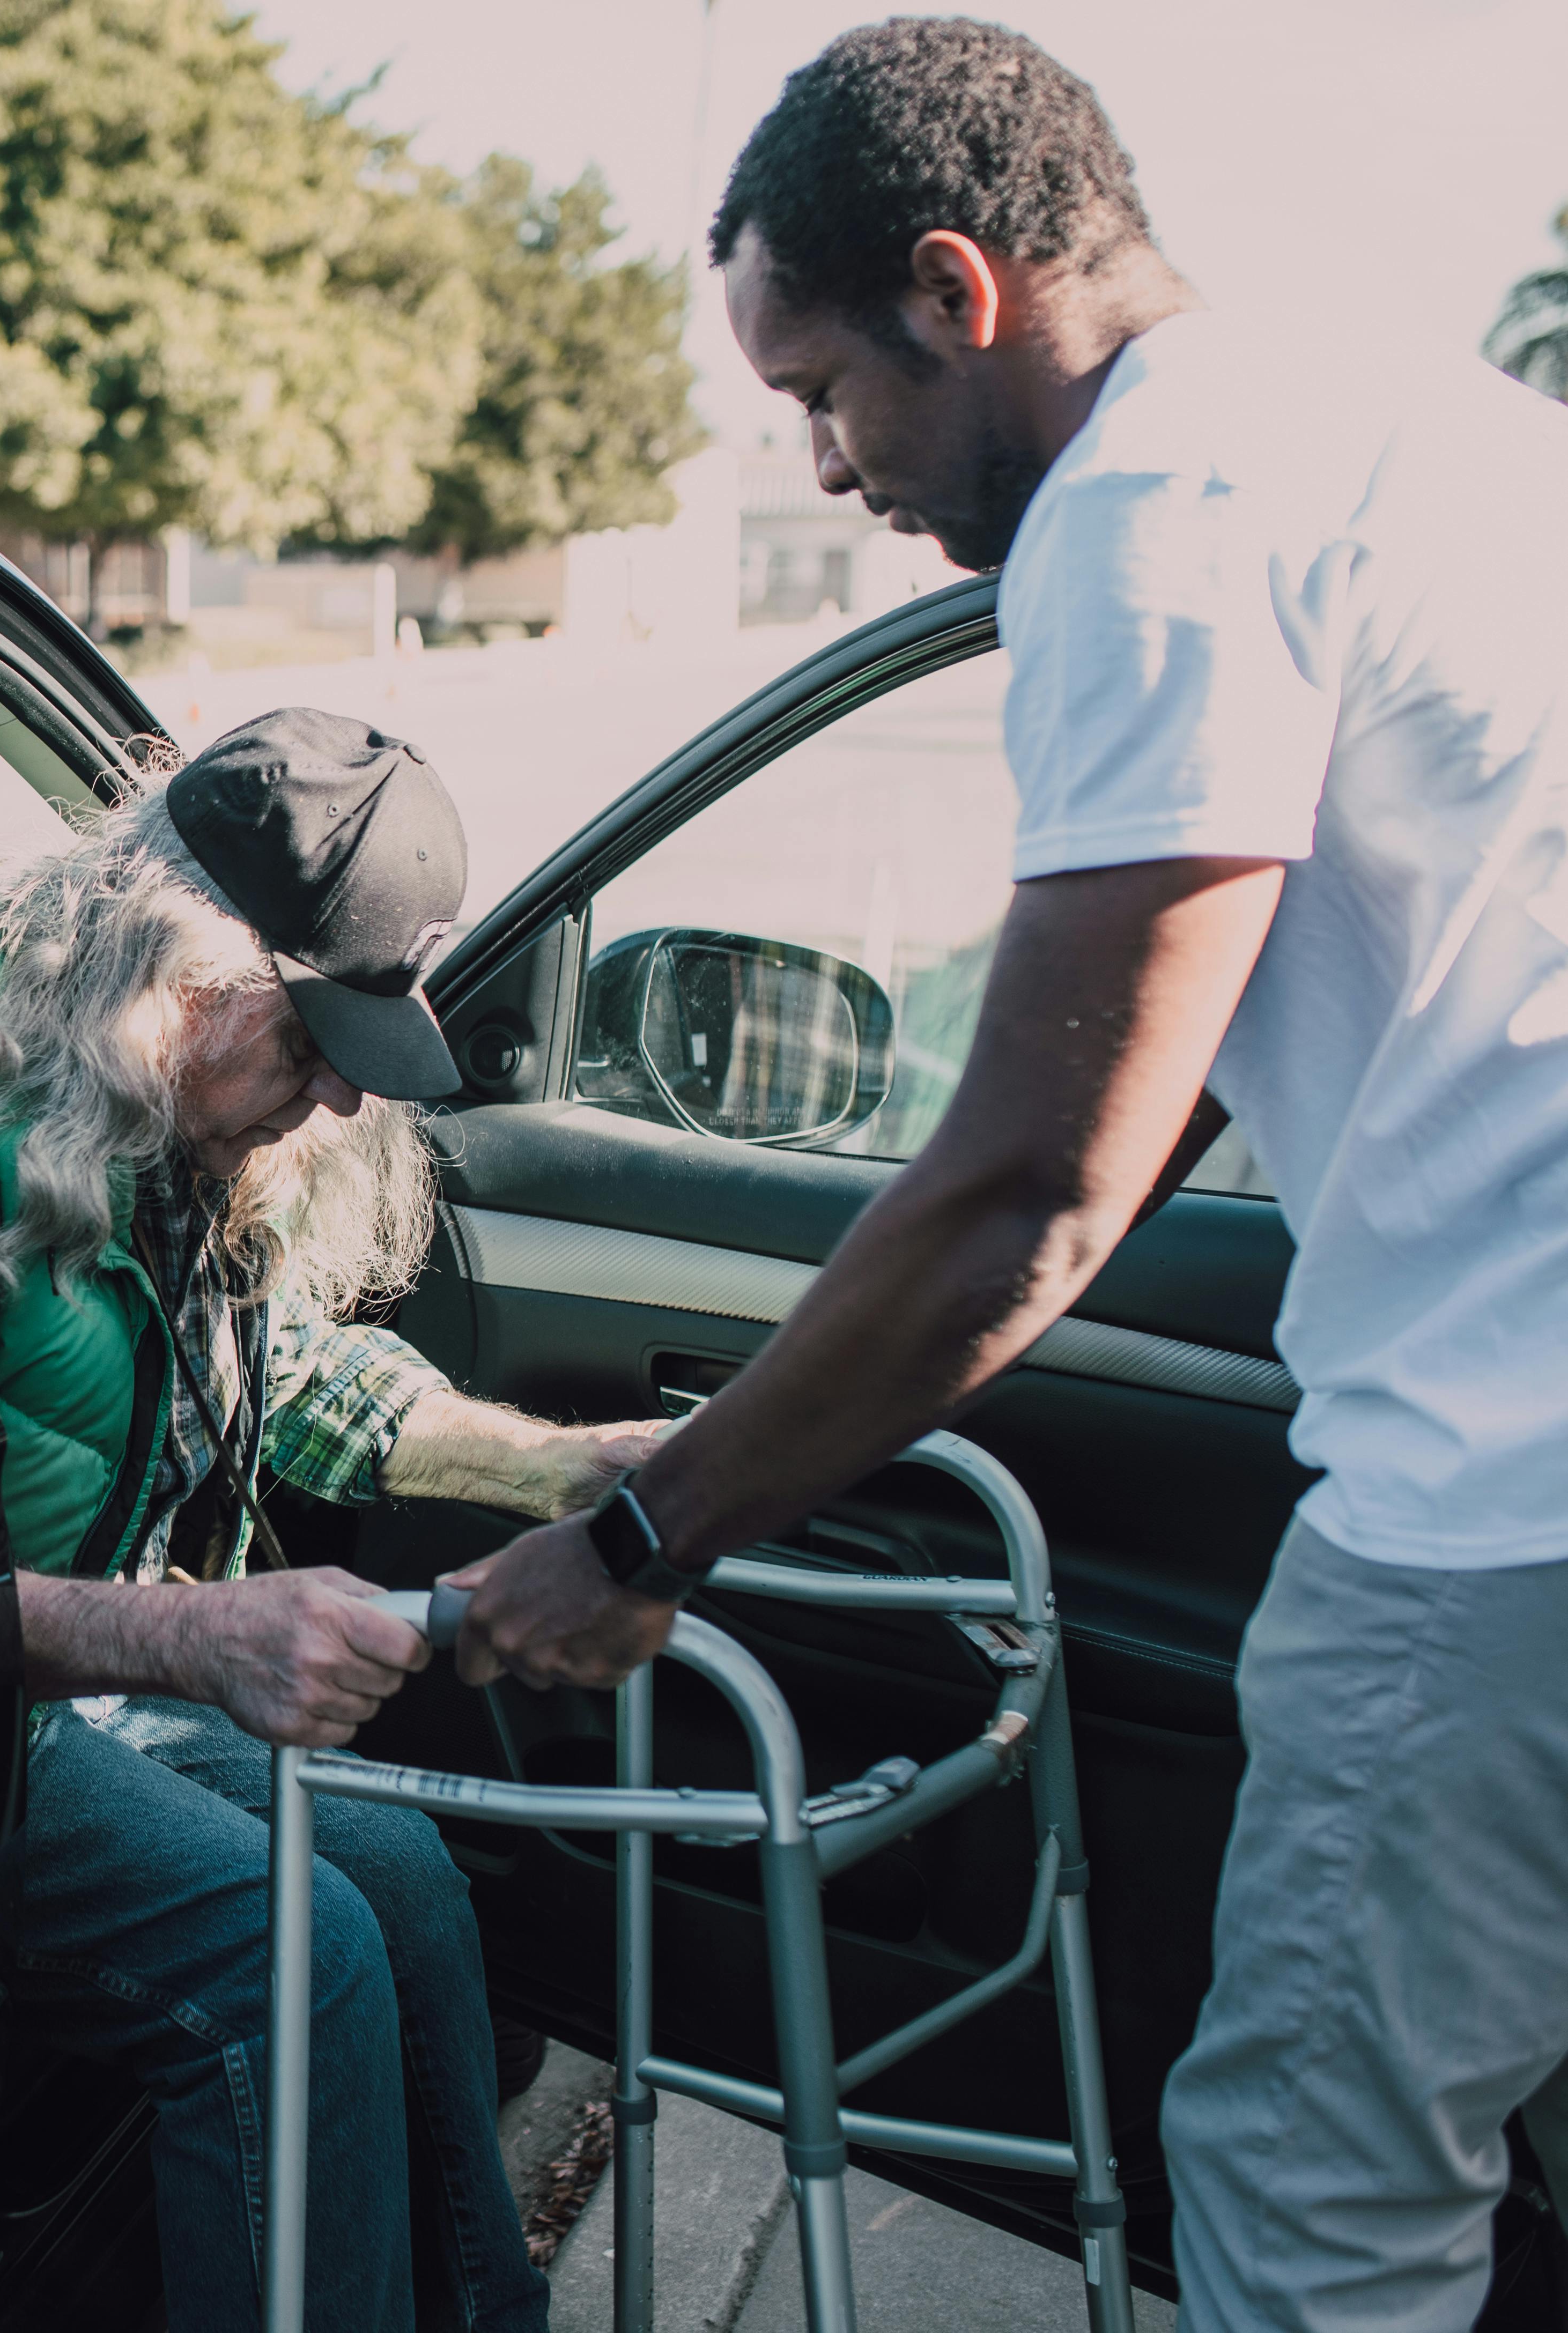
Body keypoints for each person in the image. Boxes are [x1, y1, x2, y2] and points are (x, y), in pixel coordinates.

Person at [444, 23, 1568, 2330]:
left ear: (955, 292)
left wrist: (645, 1532)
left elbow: (1031, 1178)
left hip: (1497, 1503)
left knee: (1306, 2191)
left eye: (815, 390)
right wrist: (754, 1436)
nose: (822, 460)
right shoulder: (1419, 428)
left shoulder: (1150, 517)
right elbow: (1148, 1111)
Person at [0, 707, 661, 2333]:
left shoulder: (157, 1116)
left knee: (401, 1879)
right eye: (312, 1043)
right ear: (172, 965)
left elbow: (264, 1370)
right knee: (290, 1957)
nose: (340, 1102)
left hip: (72, 1694)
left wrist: (547, 1468)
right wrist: (185, 1632)